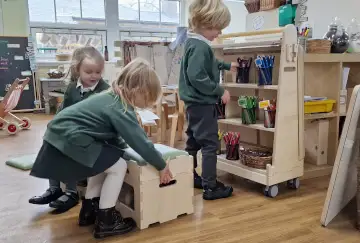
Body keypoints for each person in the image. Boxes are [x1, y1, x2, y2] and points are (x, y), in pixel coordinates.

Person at [30, 58, 173, 239]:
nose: (145, 104)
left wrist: (123, 148)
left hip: (61, 135)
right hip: (71, 139)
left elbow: (114, 138)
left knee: (104, 162)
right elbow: (140, 141)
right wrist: (161, 165)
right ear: (138, 90)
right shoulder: (120, 106)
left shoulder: (110, 97)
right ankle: (106, 220)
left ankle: (90, 210)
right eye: (146, 99)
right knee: (118, 166)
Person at [28, 46, 110, 212]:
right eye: (89, 72)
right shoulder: (73, 88)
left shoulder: (104, 90)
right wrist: (55, 124)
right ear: (77, 69)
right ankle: (54, 188)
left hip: (92, 134)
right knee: (51, 139)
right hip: (72, 128)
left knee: (70, 143)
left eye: (98, 72)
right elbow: (64, 110)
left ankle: (71, 192)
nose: (94, 76)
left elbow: (105, 118)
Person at [179, 0, 238, 200]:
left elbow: (208, 64)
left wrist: (226, 66)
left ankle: (190, 176)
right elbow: (197, 75)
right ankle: (210, 186)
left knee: (193, 142)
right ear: (205, 24)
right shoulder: (200, 47)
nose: (219, 33)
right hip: (202, 103)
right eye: (217, 28)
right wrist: (219, 90)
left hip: (193, 104)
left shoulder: (194, 43)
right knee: (210, 145)